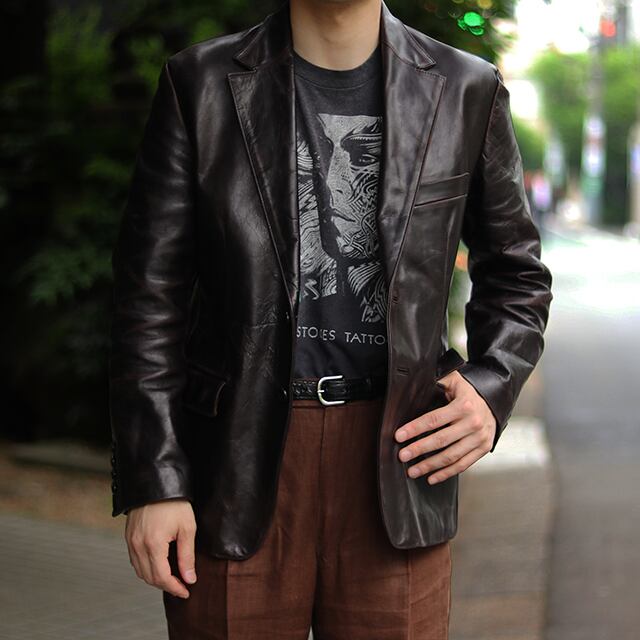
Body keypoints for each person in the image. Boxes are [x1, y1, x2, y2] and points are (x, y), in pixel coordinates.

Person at [108, 0, 553, 637]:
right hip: (235, 463)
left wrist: (491, 387)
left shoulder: (465, 88)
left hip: (399, 459)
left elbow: (516, 273)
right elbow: (148, 298)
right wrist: (156, 479)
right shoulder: (199, 83)